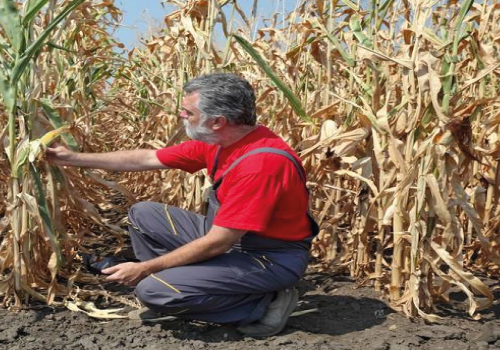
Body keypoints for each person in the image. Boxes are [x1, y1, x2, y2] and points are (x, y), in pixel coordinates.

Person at [45, 73, 318, 337]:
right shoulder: (223, 142)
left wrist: (146, 269)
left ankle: (262, 303)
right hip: (235, 240)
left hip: (268, 257)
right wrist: (71, 158)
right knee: (143, 215)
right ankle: (184, 290)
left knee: (152, 290)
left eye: (189, 112)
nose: (181, 116)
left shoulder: (261, 165)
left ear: (218, 121)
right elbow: (147, 159)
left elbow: (217, 243)